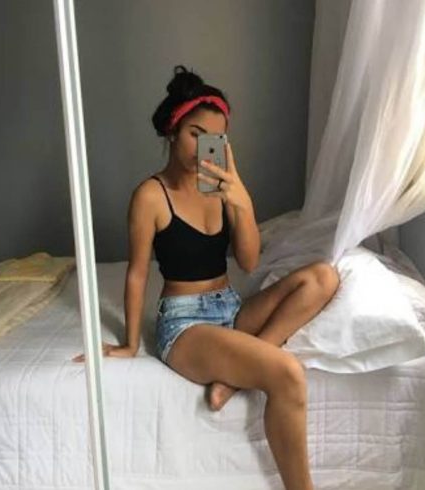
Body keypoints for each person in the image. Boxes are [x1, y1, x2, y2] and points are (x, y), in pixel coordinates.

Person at [73, 65, 340, 490]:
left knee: (323, 278)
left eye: (215, 138)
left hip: (230, 309)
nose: (203, 147)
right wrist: (129, 343)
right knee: (287, 373)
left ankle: (229, 379)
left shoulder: (221, 188)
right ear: (172, 131)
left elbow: (249, 262)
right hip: (186, 325)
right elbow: (137, 274)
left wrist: (242, 200)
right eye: (195, 134)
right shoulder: (150, 195)